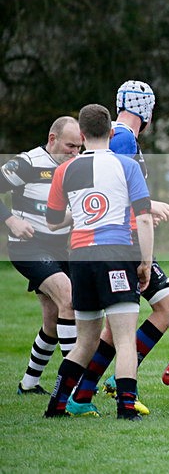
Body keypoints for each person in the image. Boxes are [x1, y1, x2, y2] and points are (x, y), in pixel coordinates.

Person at [68, 80, 169, 416]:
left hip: (116, 238)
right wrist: (147, 206)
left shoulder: (119, 135)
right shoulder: (123, 137)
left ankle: (82, 395)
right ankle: (116, 384)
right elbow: (110, 185)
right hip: (122, 243)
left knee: (116, 323)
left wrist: (143, 209)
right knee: (166, 309)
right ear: (147, 111)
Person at [43, 103, 154, 420]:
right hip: (115, 255)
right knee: (123, 338)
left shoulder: (65, 170)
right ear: (110, 131)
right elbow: (143, 220)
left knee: (85, 341)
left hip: (79, 258)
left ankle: (57, 404)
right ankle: (126, 409)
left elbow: (52, 222)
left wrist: (80, 214)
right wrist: (144, 262)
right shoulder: (125, 166)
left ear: (81, 134)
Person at [2, 116, 82, 394]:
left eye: (79, 148)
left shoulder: (75, 167)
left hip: (61, 249)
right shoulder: (27, 163)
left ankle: (29, 383)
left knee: (52, 320)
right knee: (69, 298)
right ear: (52, 139)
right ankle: (74, 387)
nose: (75, 152)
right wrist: (11, 220)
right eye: (70, 146)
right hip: (29, 248)